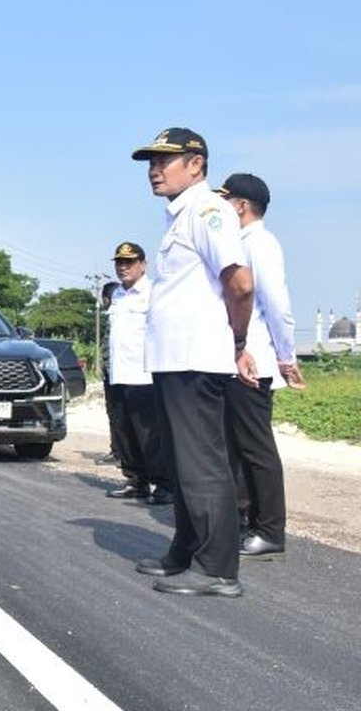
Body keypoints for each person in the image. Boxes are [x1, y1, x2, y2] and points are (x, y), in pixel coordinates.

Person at [130, 127, 257, 598]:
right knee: (183, 463)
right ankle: (185, 551)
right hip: (171, 361)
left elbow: (240, 284)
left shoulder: (209, 211)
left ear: (197, 164)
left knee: (203, 463)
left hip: (195, 359)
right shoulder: (179, 218)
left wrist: (236, 338)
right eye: (150, 162)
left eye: (165, 160)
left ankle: (217, 567)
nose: (154, 170)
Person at [216, 173, 303, 559]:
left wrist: (287, 358)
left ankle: (269, 529)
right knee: (235, 447)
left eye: (226, 200)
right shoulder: (242, 243)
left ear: (241, 205)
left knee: (255, 449)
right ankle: (243, 519)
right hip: (235, 361)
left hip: (255, 360)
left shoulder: (261, 244)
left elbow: (278, 306)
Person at [104, 242, 173, 505]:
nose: (123, 268)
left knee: (150, 434)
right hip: (119, 373)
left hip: (144, 374)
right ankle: (136, 479)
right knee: (124, 432)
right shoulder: (117, 295)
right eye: (119, 263)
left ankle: (165, 484)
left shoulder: (154, 291)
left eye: (129, 262)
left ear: (143, 265)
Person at [97, 280, 125, 467]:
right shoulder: (114, 315)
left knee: (118, 414)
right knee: (117, 413)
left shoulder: (117, 316)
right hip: (116, 372)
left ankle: (119, 452)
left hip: (118, 373)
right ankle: (119, 451)